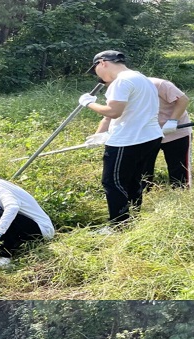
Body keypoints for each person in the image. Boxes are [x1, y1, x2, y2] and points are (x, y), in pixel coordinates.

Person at [79, 50, 163, 227]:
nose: (97, 75)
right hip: (150, 137)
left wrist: (88, 103)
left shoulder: (121, 81)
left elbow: (113, 112)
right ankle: (134, 218)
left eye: (95, 70)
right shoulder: (142, 78)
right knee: (134, 180)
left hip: (128, 141)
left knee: (113, 182)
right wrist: (101, 134)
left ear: (102, 63)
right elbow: (128, 113)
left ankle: (118, 225)